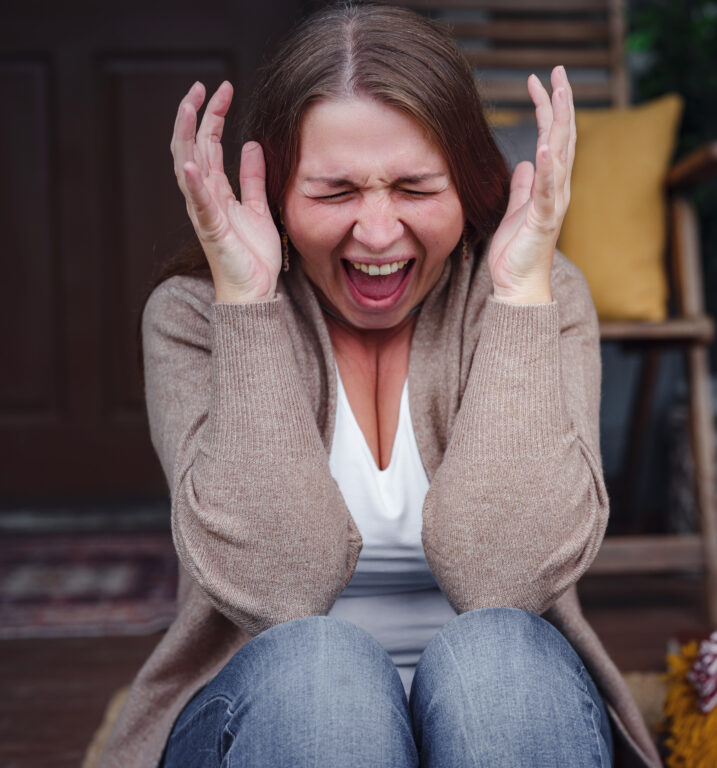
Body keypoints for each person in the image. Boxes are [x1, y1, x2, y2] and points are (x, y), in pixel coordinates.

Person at [98, 4, 660, 767]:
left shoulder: (541, 296)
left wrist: (522, 292)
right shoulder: (195, 317)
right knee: (326, 669)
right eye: (334, 193)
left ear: (466, 185)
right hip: (275, 722)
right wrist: (249, 305)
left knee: (497, 657)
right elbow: (278, 592)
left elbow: (506, 580)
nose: (376, 233)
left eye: (415, 188)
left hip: (503, 722)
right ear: (278, 198)